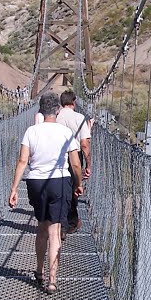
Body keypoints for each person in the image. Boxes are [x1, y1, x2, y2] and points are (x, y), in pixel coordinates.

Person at [9, 92, 83, 294]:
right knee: (55, 231)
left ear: (40, 110)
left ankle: (39, 271)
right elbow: (75, 163)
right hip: (59, 182)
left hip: (35, 183)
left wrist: (14, 188)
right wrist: (78, 183)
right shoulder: (66, 132)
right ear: (58, 111)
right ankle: (52, 281)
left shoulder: (31, 131)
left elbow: (23, 161)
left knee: (42, 227)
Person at [56, 90, 91, 233]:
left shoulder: (55, 117)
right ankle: (70, 223)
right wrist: (88, 164)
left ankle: (61, 225)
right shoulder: (80, 118)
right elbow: (84, 144)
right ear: (74, 102)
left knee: (60, 190)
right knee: (74, 189)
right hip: (75, 156)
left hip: (57, 157)